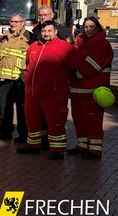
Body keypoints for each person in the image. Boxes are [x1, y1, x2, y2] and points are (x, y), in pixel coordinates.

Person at [18, 21, 73, 160]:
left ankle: (57, 150)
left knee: (55, 122)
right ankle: (33, 146)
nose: (46, 34)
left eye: (49, 31)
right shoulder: (33, 46)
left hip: (54, 94)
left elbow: (75, 67)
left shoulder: (65, 47)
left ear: (55, 31)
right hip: (32, 93)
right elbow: (27, 65)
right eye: (44, 31)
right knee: (32, 121)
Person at [67, 16, 113, 159]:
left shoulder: (103, 45)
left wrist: (76, 74)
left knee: (93, 120)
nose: (88, 29)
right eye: (86, 27)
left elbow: (93, 65)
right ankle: (82, 145)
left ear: (98, 27)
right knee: (79, 119)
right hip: (77, 90)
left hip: (93, 90)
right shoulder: (79, 43)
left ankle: (94, 150)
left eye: (91, 27)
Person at [0, 13, 31, 142]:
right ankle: (6, 132)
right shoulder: (5, 37)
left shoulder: (28, 37)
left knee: (21, 109)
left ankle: (23, 134)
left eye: (16, 22)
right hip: (4, 79)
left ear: (22, 23)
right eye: (11, 21)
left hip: (19, 80)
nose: (13, 24)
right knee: (5, 108)